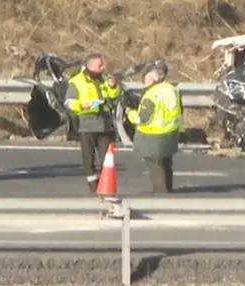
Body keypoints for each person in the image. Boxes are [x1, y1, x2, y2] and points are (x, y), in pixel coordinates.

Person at [64, 54, 120, 192]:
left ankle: (105, 183)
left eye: (103, 65)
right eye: (99, 65)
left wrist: (113, 87)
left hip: (104, 123)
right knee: (88, 158)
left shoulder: (105, 79)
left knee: (106, 158)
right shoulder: (76, 82)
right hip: (87, 123)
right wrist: (81, 105)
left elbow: (113, 96)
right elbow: (68, 102)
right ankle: (93, 186)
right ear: (90, 67)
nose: (103, 68)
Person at [126, 62, 183, 194]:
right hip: (170, 132)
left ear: (151, 79)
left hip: (153, 136)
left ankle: (161, 193)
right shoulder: (172, 89)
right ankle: (168, 189)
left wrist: (130, 113)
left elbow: (142, 119)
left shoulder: (152, 94)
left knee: (156, 167)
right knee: (166, 164)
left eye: (145, 78)